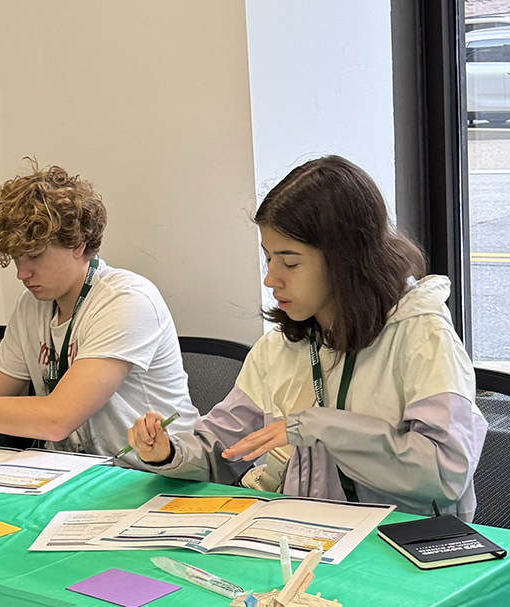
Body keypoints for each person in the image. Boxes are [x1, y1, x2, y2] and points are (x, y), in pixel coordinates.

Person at [126, 155, 486, 520]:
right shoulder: (281, 347)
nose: (271, 279)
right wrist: (169, 452)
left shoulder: (423, 337)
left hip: (399, 550)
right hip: (306, 537)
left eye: (290, 262)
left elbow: (444, 474)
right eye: (268, 258)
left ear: (346, 259)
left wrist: (317, 427)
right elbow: (224, 452)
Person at [0, 160, 198, 465]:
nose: (22, 273)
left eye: (33, 256)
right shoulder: (31, 306)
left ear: (78, 243)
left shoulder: (126, 299)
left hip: (154, 475)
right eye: (16, 258)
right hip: (78, 474)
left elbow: (57, 419)